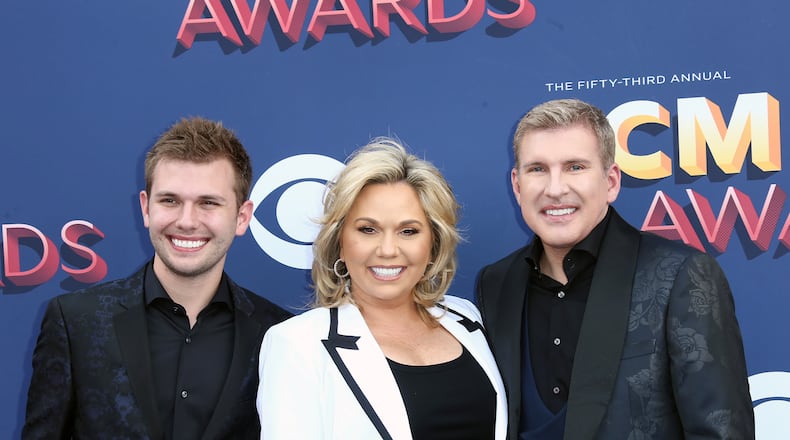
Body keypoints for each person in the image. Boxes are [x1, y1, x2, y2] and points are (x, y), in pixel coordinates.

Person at [476, 98, 754, 439]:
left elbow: (721, 432)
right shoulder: (496, 284)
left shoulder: (682, 275)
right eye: (538, 169)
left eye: (575, 167)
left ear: (611, 182)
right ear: (517, 186)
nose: (555, 188)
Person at [23, 117, 292, 439]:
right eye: (170, 200)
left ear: (241, 217)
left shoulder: (280, 335)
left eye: (208, 203)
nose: (187, 221)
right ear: (146, 208)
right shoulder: (75, 323)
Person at [256, 138, 507, 439]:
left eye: (408, 231)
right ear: (340, 243)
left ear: (433, 243)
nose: (388, 250)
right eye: (368, 229)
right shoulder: (297, 344)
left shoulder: (468, 319)